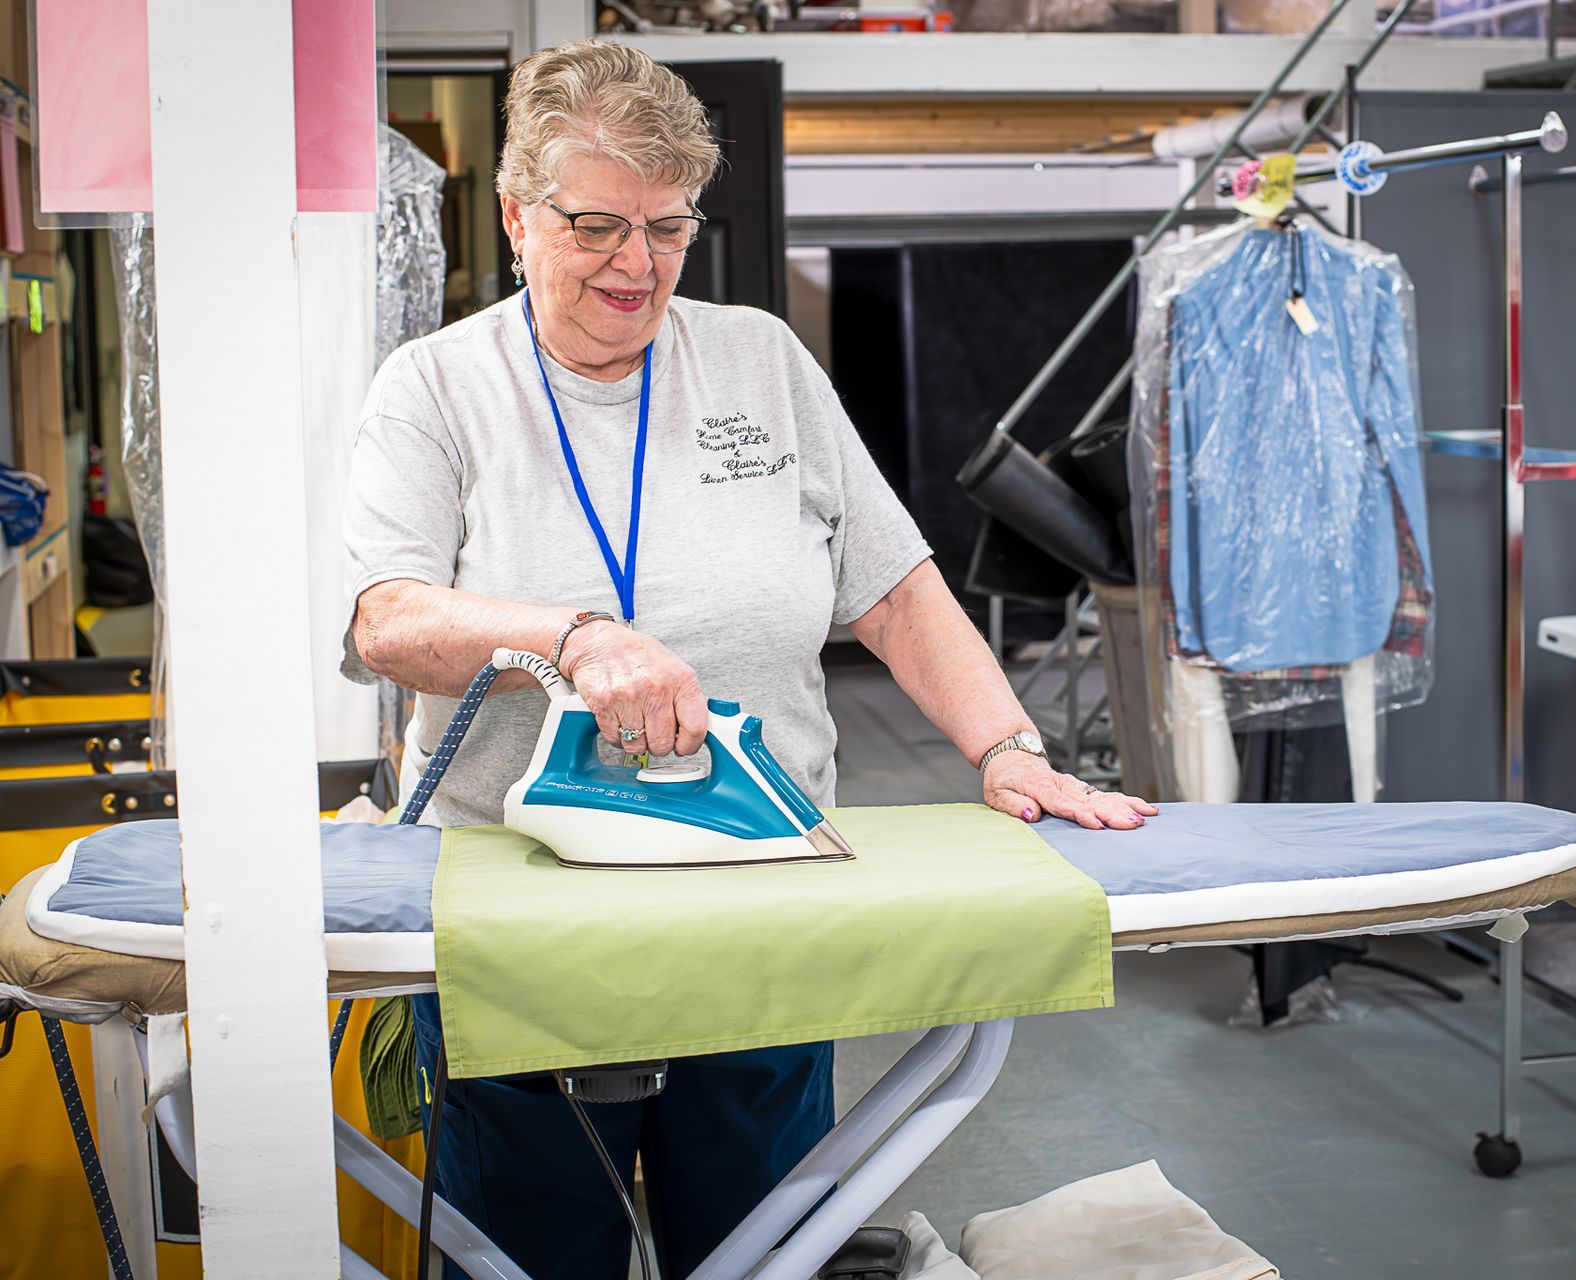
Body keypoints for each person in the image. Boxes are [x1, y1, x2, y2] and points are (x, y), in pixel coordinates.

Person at [342, 40, 1155, 1280]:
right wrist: (568, 637)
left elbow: (893, 586)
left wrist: (1008, 747)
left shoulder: (760, 360)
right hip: (526, 928)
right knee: (527, 1250)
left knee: (764, 1245)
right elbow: (383, 619)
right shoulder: (438, 388)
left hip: (764, 899)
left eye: (667, 230)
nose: (636, 266)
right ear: (516, 217)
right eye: (597, 227)